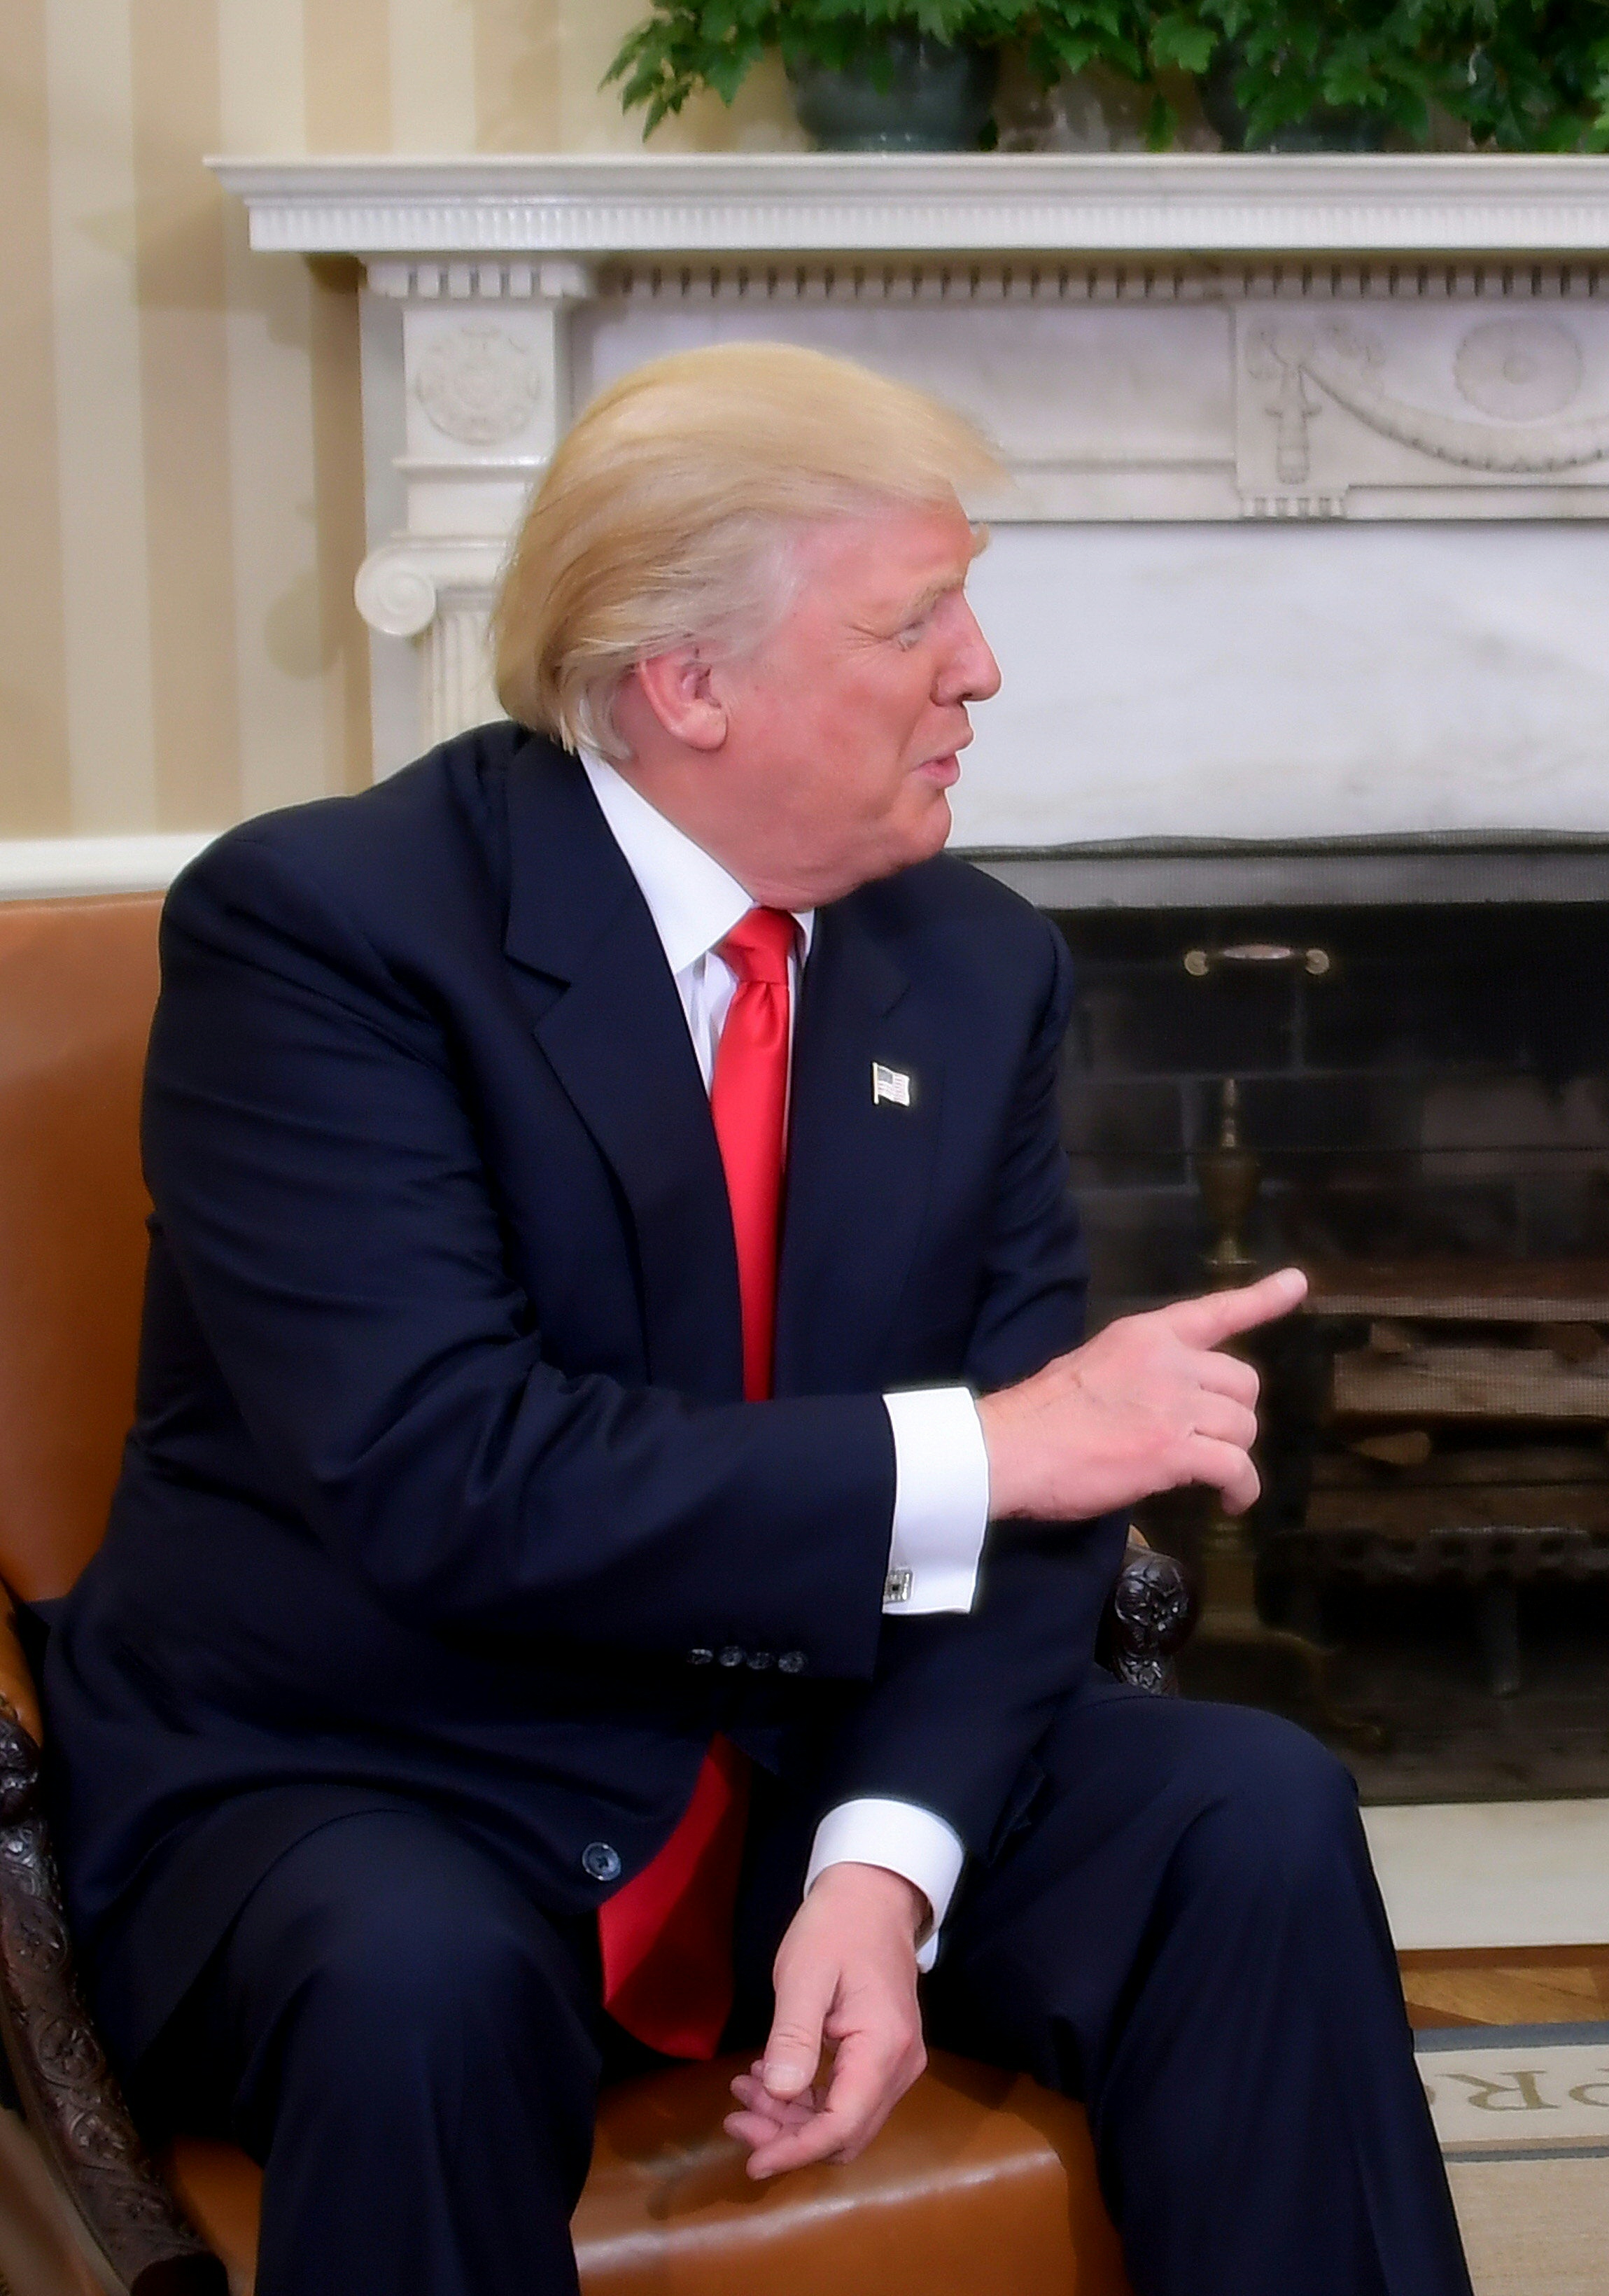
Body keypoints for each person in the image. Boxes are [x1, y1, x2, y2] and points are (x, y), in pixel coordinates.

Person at [45, 342, 1473, 2296]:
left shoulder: (972, 969)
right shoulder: (329, 935)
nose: (982, 667)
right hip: (387, 1764)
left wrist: (884, 1865)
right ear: (685, 682)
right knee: (417, 1983)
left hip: (803, 1744)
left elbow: (1037, 1522)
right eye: (915, 617)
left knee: (1246, 1810)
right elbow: (447, 1475)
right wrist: (993, 1445)